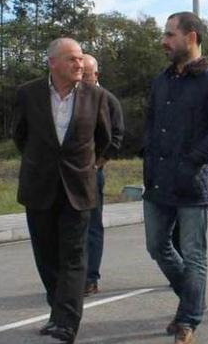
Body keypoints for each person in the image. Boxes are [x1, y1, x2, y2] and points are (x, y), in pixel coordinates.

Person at [142, 11, 208, 344]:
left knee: (194, 253)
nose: (164, 41)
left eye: (170, 35)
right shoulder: (161, 80)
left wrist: (193, 159)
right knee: (156, 245)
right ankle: (193, 299)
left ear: (191, 37)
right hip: (157, 182)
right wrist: (148, 161)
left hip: (192, 183)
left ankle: (188, 320)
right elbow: (151, 126)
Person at [11, 38, 112, 344]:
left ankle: (68, 322)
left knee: (74, 257)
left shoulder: (96, 96)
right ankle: (56, 313)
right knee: (46, 256)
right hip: (39, 186)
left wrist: (88, 167)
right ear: (52, 63)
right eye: (71, 59)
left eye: (80, 59)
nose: (78, 64)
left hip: (78, 188)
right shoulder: (27, 94)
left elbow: (104, 139)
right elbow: (19, 135)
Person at [81, 54, 125, 297]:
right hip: (68, 173)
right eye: (80, 76)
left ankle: (91, 278)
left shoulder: (108, 100)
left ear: (96, 75)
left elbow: (117, 136)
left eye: (86, 75)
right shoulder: (71, 96)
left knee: (92, 226)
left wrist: (99, 163)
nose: (83, 80)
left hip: (93, 172)